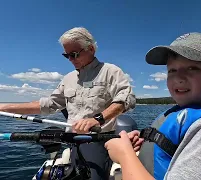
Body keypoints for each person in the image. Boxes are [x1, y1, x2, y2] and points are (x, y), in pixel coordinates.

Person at [104, 32, 201, 180]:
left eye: (192, 68)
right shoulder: (180, 115)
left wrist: (124, 155)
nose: (178, 78)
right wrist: (150, 141)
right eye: (172, 70)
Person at [0, 27, 136, 180]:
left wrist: (97, 119)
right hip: (72, 141)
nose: (71, 59)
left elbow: (126, 99)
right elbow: (50, 104)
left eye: (74, 54)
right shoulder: (68, 79)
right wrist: (4, 107)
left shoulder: (110, 71)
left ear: (91, 49)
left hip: (98, 142)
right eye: (67, 56)